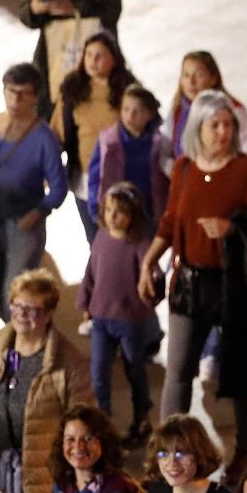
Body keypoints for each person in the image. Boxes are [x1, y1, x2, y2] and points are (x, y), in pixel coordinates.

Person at [139, 90, 247, 479]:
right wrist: (150, 260)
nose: (223, 131)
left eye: (228, 124)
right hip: (190, 283)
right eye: (214, 124)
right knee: (178, 372)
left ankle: (245, 452)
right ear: (197, 128)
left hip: (234, 286)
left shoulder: (245, 171)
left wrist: (232, 228)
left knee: (240, 374)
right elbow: (171, 220)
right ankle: (170, 452)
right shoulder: (184, 168)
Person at [0, 269, 92, 493]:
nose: (22, 314)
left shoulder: (68, 362)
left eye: (33, 309)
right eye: (17, 305)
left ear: (48, 315)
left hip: (39, 481)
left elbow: (84, 422)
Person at [0, 63, 68, 323]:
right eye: (10, 92)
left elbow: (58, 187)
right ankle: (20, 334)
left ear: (35, 97)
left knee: (14, 293)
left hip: (22, 226)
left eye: (22, 94)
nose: (14, 100)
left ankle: (20, 346)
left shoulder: (44, 138)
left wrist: (36, 214)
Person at [79, 182, 158, 445]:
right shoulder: (101, 237)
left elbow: (152, 275)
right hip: (101, 318)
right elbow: (91, 272)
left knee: (134, 368)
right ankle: (103, 420)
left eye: (120, 211)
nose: (113, 216)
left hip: (129, 321)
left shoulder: (139, 243)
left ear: (133, 215)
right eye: (109, 209)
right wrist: (84, 303)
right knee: (98, 371)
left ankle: (141, 417)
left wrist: (149, 297)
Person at [51, 30, 134, 241]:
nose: (92, 61)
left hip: (122, 179)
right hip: (84, 181)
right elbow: (58, 133)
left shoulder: (128, 90)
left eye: (100, 55)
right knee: (96, 242)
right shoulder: (72, 91)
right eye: (88, 55)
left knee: (125, 239)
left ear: (113, 59)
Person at [87, 84, 170, 232]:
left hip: (148, 213)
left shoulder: (159, 143)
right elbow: (94, 176)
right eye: (126, 109)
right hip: (115, 215)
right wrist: (96, 209)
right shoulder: (108, 141)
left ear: (149, 114)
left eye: (137, 111)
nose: (130, 116)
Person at [166, 52, 247, 160]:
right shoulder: (177, 111)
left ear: (213, 78)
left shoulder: (234, 111)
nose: (191, 82)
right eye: (186, 75)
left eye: (199, 75)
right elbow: (165, 153)